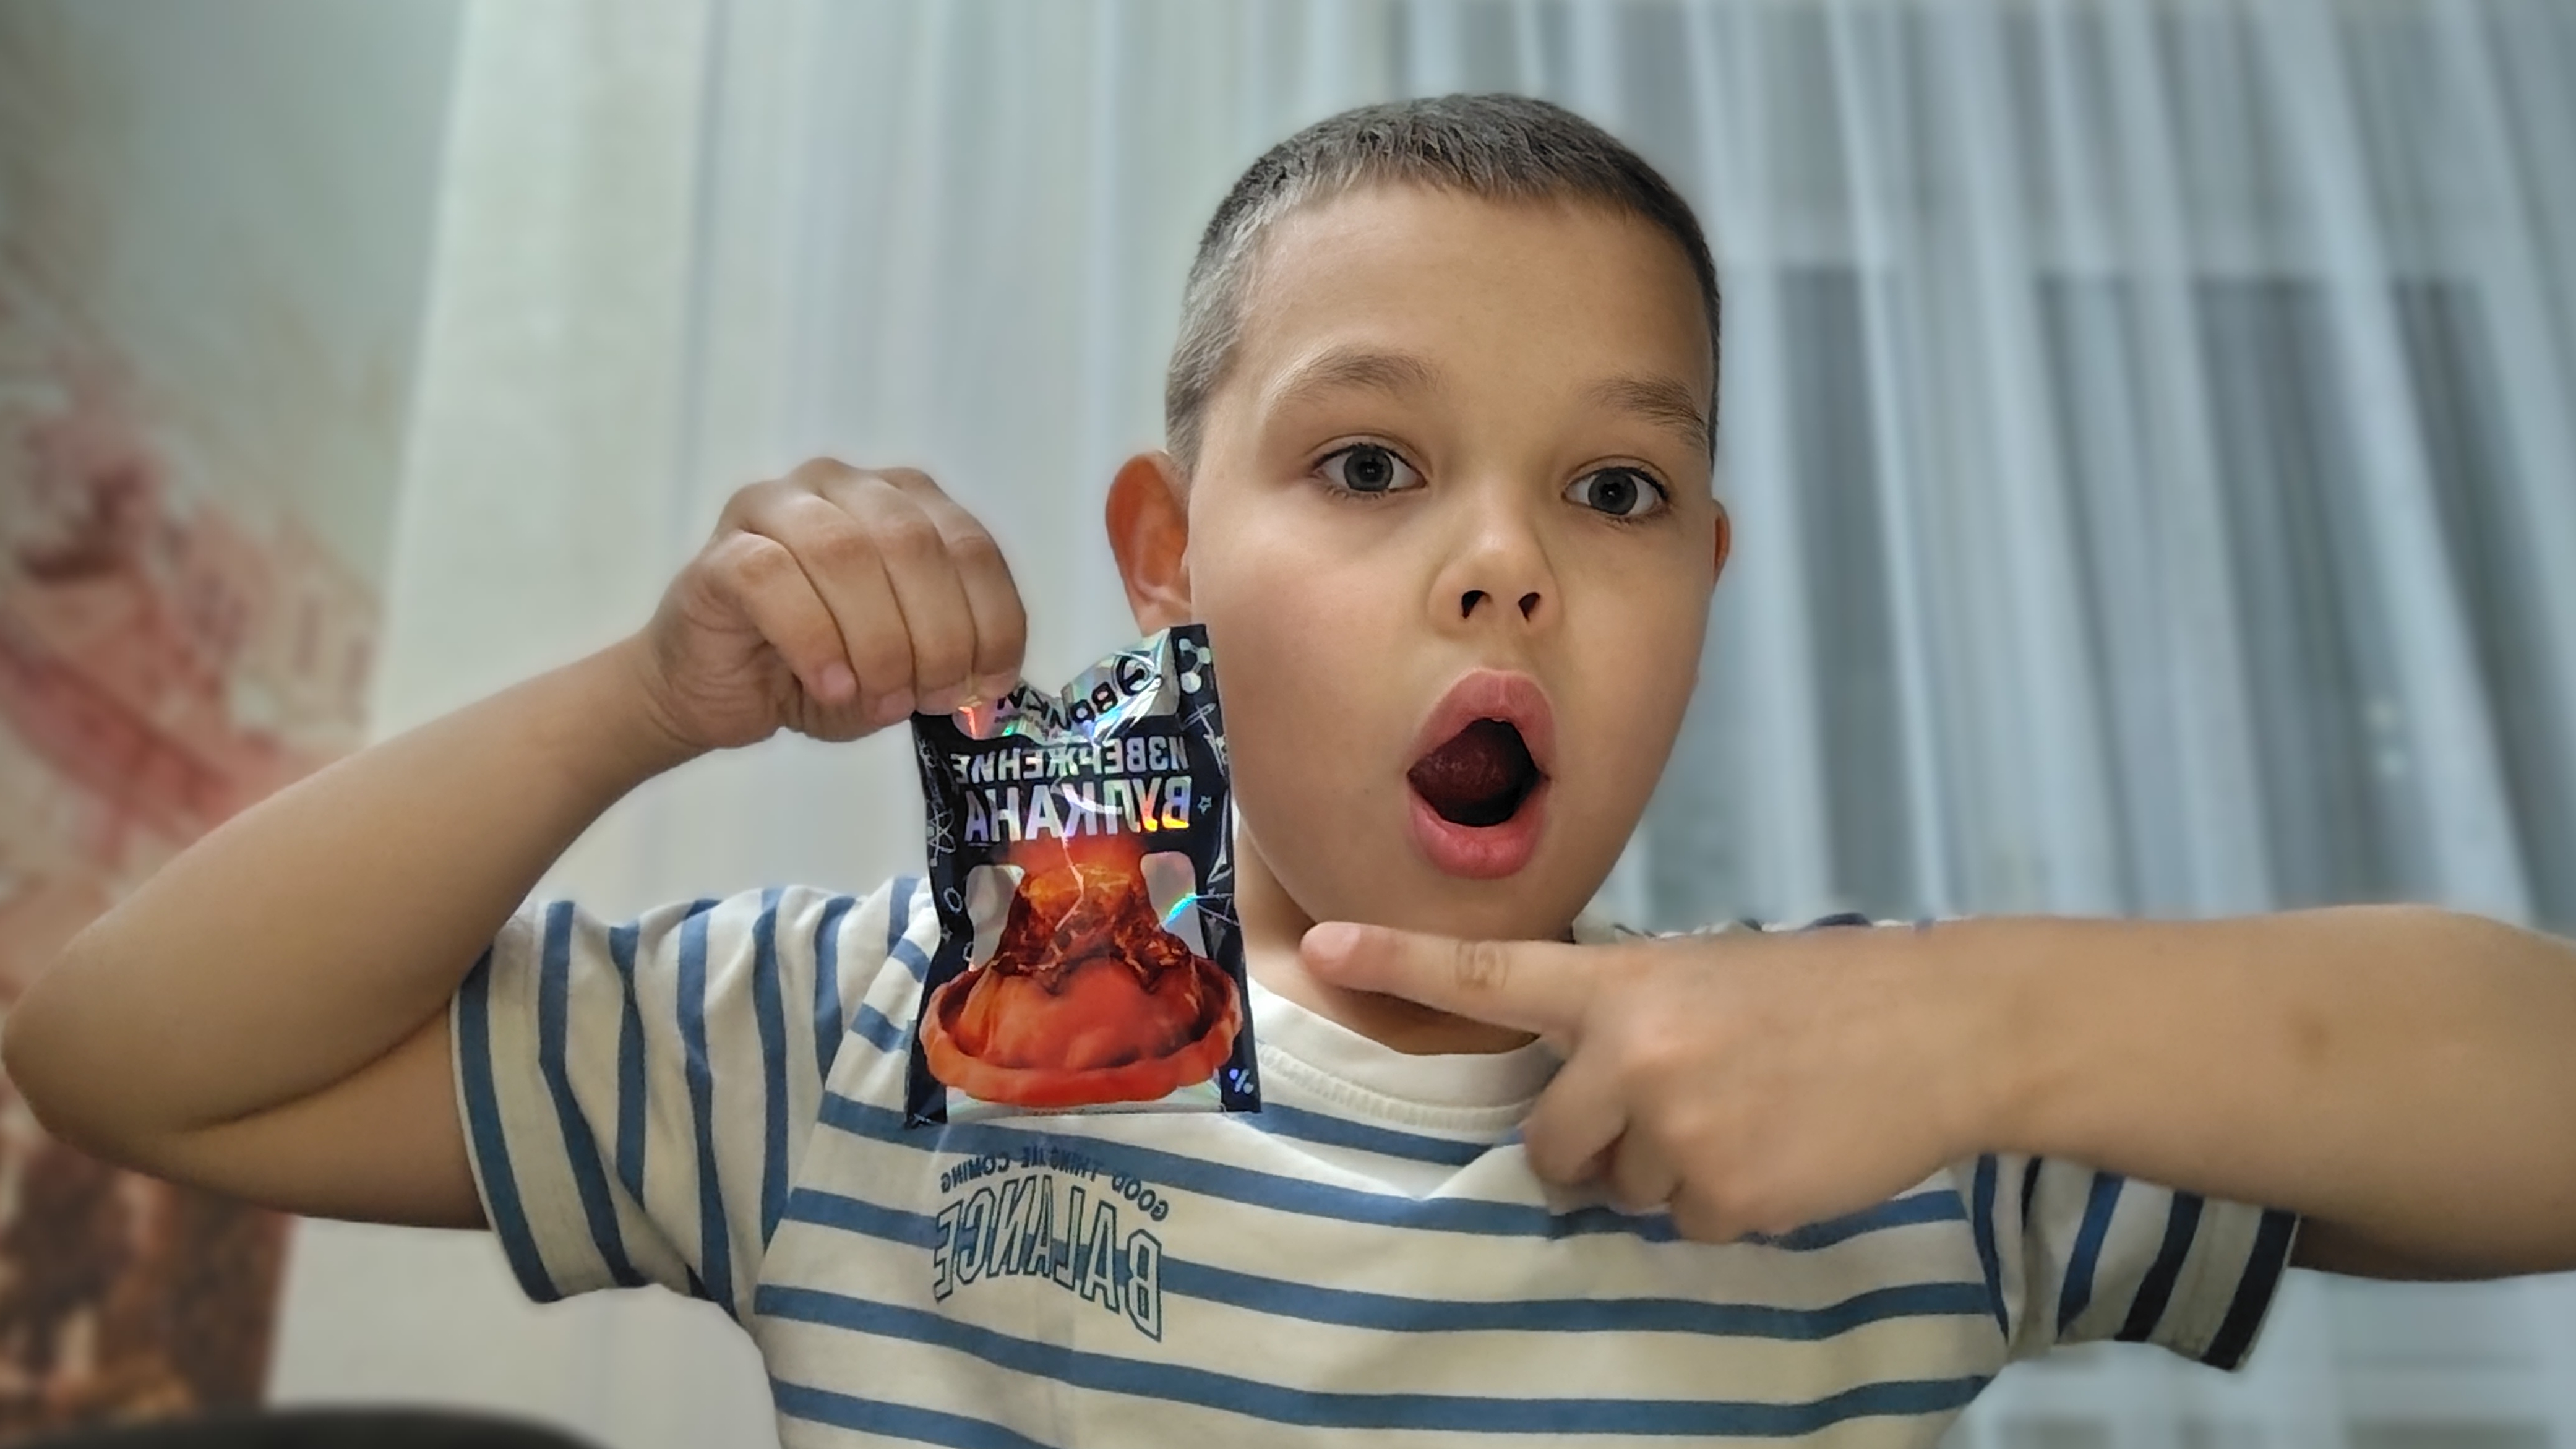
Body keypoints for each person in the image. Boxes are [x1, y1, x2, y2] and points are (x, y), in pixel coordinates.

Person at [10, 95, 2576, 1447]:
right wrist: (636, 700)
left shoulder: (1872, 1107)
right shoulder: (875, 1033)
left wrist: (1970, 1025)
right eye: (1369, 466)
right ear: (1166, 557)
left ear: (1706, 580)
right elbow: (128, 1054)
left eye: (1617, 492)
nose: (1507, 567)